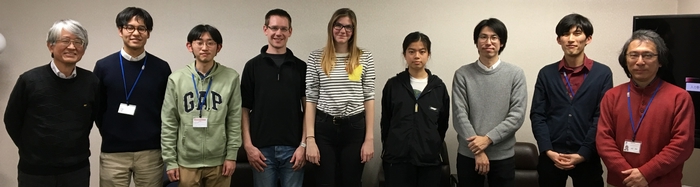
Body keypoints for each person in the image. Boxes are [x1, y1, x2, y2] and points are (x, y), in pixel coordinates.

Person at [4, 19, 98, 187]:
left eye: (78, 42)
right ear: (50, 46)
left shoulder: (91, 81)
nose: (72, 46)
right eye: (66, 41)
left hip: (76, 171)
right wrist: (32, 150)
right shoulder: (29, 80)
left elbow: (93, 118)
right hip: (35, 172)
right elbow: (11, 119)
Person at [596, 30, 695, 187]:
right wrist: (629, 175)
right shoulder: (612, 96)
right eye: (633, 55)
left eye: (648, 55)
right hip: (622, 181)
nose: (640, 61)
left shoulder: (679, 97)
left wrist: (646, 173)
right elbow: (604, 140)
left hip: (662, 182)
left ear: (660, 60)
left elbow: (682, 144)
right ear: (625, 60)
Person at [530, 13, 611, 187]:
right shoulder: (546, 73)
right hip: (551, 156)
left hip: (587, 156)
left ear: (588, 38)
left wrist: (584, 153)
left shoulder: (603, 74)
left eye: (577, 33)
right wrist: (548, 150)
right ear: (558, 40)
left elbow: (602, 117)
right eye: (565, 34)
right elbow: (538, 114)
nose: (571, 39)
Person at [94, 7, 171, 187]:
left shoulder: (161, 68)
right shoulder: (104, 66)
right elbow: (97, 107)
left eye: (141, 28)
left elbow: (167, 109)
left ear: (148, 33)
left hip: (150, 153)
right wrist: (109, 132)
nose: (135, 33)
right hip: (113, 154)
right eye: (130, 27)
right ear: (120, 31)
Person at [161, 24, 242, 187]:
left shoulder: (231, 77)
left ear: (219, 47)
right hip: (187, 162)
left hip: (219, 161)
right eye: (199, 42)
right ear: (189, 46)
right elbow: (169, 122)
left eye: (210, 43)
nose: (205, 47)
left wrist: (231, 156)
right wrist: (170, 161)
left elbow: (234, 119)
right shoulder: (176, 79)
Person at [304, 8, 375, 187]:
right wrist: (310, 139)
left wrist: (369, 139)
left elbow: (369, 97)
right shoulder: (316, 57)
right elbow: (311, 99)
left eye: (348, 27)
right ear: (331, 27)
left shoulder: (363, 57)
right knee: (324, 182)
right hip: (324, 128)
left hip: (354, 128)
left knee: (351, 182)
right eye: (338, 25)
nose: (343, 31)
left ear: (353, 31)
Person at [452, 18, 527, 187]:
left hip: (503, 157)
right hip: (468, 156)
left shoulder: (515, 74)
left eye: (494, 37)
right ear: (476, 42)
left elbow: (517, 116)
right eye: (483, 37)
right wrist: (478, 150)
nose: (488, 42)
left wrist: (487, 140)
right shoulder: (462, 74)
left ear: (501, 43)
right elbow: (459, 114)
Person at [240, 8, 307, 187]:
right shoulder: (252, 66)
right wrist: (248, 145)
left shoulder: (301, 67)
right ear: (265, 29)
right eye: (274, 28)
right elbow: (244, 109)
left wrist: (303, 145)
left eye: (284, 29)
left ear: (290, 32)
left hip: (294, 150)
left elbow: (309, 109)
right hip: (261, 151)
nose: (279, 33)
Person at [380, 31, 449, 187]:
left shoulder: (438, 87)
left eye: (422, 51)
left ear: (428, 55)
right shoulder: (393, 85)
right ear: (405, 55)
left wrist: (431, 144)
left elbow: (442, 124)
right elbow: (386, 122)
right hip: (397, 160)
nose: (416, 56)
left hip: (429, 161)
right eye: (411, 51)